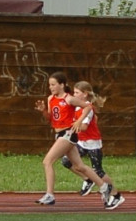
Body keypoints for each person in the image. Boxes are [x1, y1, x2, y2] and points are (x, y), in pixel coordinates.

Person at [35, 74, 122, 208]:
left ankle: (49, 195)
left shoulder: (69, 99)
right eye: (49, 85)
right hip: (59, 134)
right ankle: (104, 187)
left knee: (47, 161)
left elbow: (87, 107)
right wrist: (43, 111)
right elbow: (51, 119)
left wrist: (79, 121)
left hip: (68, 134)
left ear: (62, 85)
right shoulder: (50, 99)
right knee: (79, 166)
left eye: (53, 84)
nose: (50, 87)